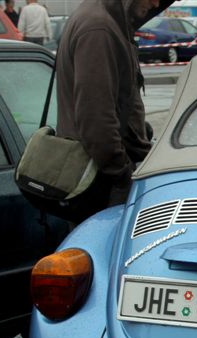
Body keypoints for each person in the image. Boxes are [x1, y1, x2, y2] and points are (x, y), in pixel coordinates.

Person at [55, 0, 175, 220]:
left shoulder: (107, 20)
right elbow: (96, 120)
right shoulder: (100, 29)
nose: (156, 3)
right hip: (101, 184)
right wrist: (122, 174)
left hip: (100, 176)